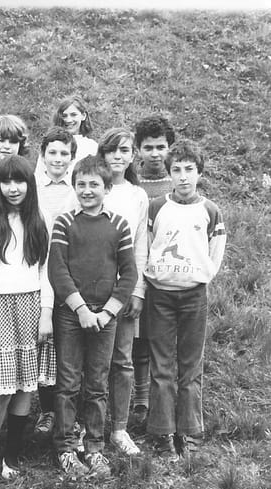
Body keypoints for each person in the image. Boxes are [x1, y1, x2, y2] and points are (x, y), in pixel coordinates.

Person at [49, 155, 137, 480]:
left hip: (105, 317)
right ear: (74, 187)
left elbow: (129, 274)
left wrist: (107, 311)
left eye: (94, 184)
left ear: (107, 188)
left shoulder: (119, 225)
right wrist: (81, 309)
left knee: (97, 383)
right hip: (71, 315)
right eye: (81, 184)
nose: (87, 190)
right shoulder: (64, 223)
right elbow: (57, 270)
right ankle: (65, 448)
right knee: (68, 383)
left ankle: (94, 447)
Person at [0, 155, 51, 480]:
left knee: (24, 385)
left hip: (31, 305)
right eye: (6, 181)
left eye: (20, 181)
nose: (13, 188)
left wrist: (46, 313)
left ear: (30, 184)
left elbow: (45, 270)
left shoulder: (39, 217)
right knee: (0, 387)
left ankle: (12, 452)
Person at [144, 140, 226, 459]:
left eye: (189, 169)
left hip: (193, 296)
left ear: (199, 173)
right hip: (160, 295)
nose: (182, 176)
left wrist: (201, 276)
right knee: (161, 365)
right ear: (169, 173)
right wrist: (155, 276)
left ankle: (189, 430)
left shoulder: (209, 210)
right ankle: (162, 431)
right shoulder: (156, 207)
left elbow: (215, 251)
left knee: (190, 365)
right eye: (176, 170)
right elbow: (147, 245)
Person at [99, 128, 149, 456]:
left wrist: (137, 290)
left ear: (132, 156)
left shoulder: (137, 196)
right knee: (93, 362)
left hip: (125, 286)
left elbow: (140, 245)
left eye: (125, 150)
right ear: (103, 153)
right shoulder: (93, 187)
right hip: (94, 288)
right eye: (112, 150)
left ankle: (119, 428)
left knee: (122, 360)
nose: (118, 156)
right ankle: (86, 426)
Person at [31, 126, 79, 436]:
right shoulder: (33, 187)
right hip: (38, 269)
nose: (58, 159)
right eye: (53, 153)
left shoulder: (78, 188)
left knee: (69, 347)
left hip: (68, 271)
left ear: (72, 157)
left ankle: (71, 413)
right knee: (43, 345)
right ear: (43, 155)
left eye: (64, 153)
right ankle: (47, 409)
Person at [131, 114, 177, 428]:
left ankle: (161, 398)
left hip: (166, 269)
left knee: (159, 337)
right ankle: (139, 396)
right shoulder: (132, 181)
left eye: (161, 147)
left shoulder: (177, 180)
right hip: (136, 267)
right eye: (148, 147)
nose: (155, 153)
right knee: (137, 335)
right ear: (138, 148)